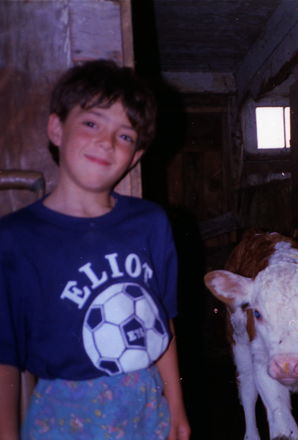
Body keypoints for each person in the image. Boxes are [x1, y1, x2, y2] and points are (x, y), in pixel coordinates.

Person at [0, 59, 190, 440]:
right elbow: (4, 358)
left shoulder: (150, 222)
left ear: (135, 157)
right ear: (57, 128)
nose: (106, 141)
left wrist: (177, 409)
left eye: (124, 136)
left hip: (146, 403)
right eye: (91, 123)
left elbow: (162, 322)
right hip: (63, 414)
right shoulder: (15, 238)